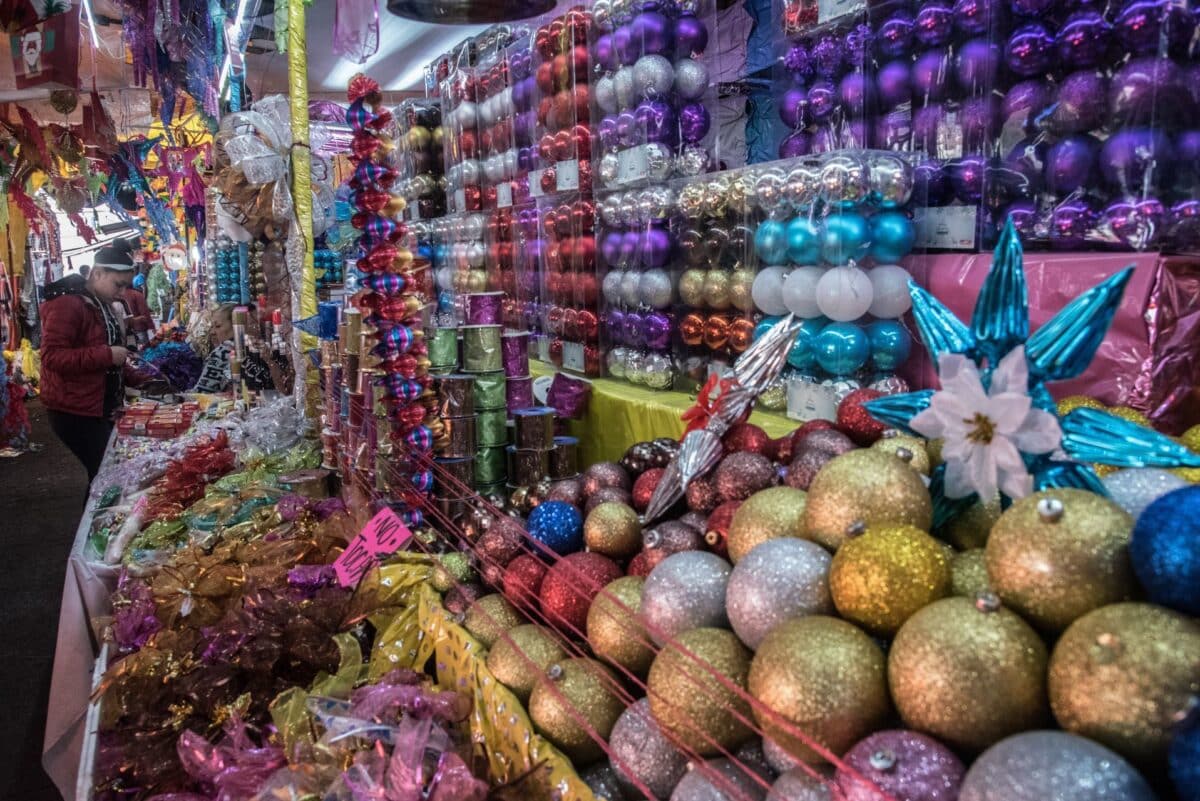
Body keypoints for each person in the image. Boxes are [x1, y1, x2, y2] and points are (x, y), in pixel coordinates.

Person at [39, 244, 137, 483]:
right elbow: (52, 357)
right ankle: (102, 521)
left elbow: (109, 358)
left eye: (126, 286)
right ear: (97, 274)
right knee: (105, 475)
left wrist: (140, 378)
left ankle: (102, 520)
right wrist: (107, 355)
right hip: (74, 409)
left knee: (103, 473)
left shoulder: (100, 302)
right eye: (118, 284)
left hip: (97, 405)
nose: (123, 292)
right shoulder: (68, 304)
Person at [193, 304, 288, 394]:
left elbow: (200, 393)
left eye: (218, 326)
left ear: (238, 325)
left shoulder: (223, 352)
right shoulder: (257, 349)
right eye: (212, 327)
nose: (213, 332)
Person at [121, 272, 156, 346]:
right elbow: (145, 313)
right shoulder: (137, 295)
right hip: (139, 329)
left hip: (124, 332)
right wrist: (152, 327)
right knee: (143, 352)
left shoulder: (117, 295)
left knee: (130, 353)